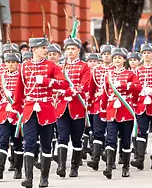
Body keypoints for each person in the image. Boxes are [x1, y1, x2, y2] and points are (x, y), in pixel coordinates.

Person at [10, 37, 69, 188]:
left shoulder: (51, 66)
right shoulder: (24, 67)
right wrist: (15, 110)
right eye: (43, 48)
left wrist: (46, 81)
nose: (46, 50)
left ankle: (44, 178)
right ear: (34, 49)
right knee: (28, 144)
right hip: (29, 109)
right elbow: (19, 90)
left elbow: (64, 84)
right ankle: (28, 178)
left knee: (46, 145)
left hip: (47, 109)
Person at [101, 47, 141, 178]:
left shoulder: (130, 74)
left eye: (119, 58)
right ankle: (108, 167)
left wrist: (124, 85)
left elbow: (138, 88)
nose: (117, 60)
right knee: (110, 139)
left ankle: (126, 166)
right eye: (115, 58)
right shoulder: (109, 74)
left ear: (124, 60)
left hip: (126, 109)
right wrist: (103, 110)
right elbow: (105, 93)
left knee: (125, 140)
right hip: (112, 110)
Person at [55, 38, 90, 178]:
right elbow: (56, 83)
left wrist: (71, 91)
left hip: (77, 106)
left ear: (78, 50)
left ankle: (74, 167)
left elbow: (85, 84)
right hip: (62, 107)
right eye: (68, 49)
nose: (70, 51)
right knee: (62, 137)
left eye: (73, 49)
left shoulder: (84, 66)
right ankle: (61, 166)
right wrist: (59, 91)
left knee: (76, 139)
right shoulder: (59, 67)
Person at [0, 53, 24, 180]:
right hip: (4, 112)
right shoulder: (1, 77)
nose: (10, 64)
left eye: (13, 62)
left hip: (17, 113)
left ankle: (18, 169)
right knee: (3, 140)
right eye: (8, 62)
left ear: (17, 63)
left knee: (17, 143)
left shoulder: (21, 76)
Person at [87, 44, 115, 171]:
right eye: (104, 54)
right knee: (98, 132)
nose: (106, 56)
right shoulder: (96, 70)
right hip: (99, 105)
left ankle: (111, 161)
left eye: (109, 54)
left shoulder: (116, 69)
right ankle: (95, 159)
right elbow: (92, 88)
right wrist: (90, 102)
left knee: (111, 133)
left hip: (113, 104)